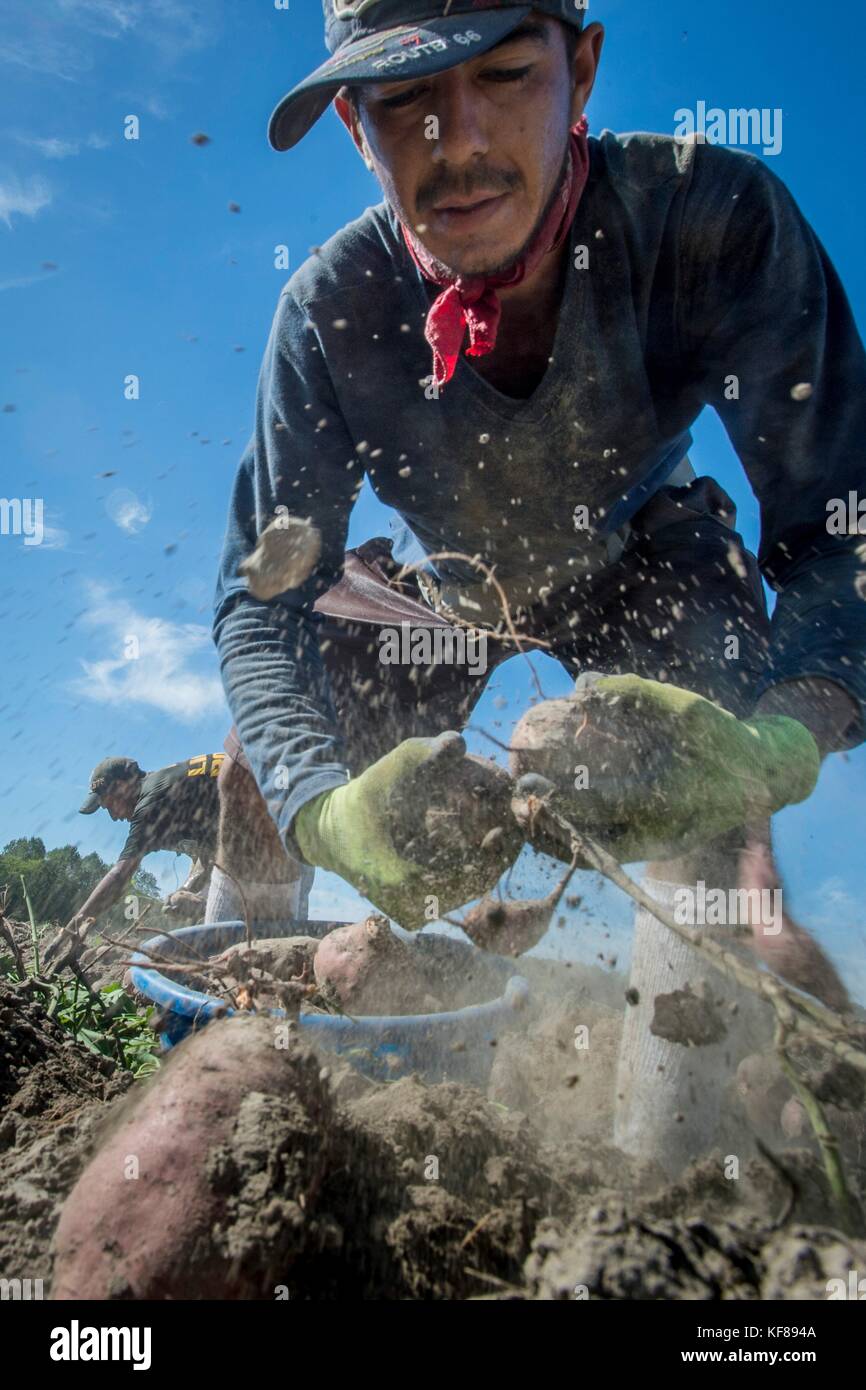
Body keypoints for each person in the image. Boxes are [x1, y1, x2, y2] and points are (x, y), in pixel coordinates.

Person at [212, 1, 865, 1172]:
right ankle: (232, 1070)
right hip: (446, 591)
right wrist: (325, 807)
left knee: (703, 798)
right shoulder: (331, 309)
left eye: (506, 72)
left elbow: (842, 536)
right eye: (404, 99)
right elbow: (259, 606)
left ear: (583, 68)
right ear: (355, 126)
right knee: (263, 761)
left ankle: (674, 1167)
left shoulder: (710, 221)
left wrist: (774, 742)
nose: (454, 140)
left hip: (641, 558)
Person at [45, 754, 225, 969]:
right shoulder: (166, 790)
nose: (113, 816)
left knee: (218, 929)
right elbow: (208, 852)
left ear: (122, 786)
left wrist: (76, 923)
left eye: (109, 805)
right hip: (254, 812)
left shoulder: (150, 803)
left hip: (264, 805)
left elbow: (120, 876)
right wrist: (188, 890)